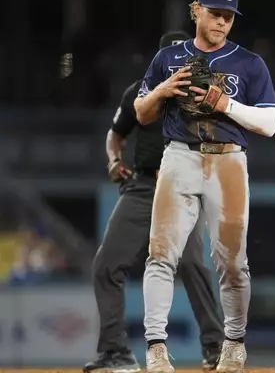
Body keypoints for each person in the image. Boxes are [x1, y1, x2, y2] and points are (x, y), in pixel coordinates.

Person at [134, 0, 275, 372]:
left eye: (229, 16)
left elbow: (270, 123)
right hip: (179, 156)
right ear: (195, 10)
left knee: (233, 263)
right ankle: (155, 348)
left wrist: (225, 103)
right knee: (160, 255)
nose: (222, 21)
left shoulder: (249, 63)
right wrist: (162, 90)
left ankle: (234, 343)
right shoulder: (168, 58)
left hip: (228, 162)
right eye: (215, 13)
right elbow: (142, 113)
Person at [83, 31, 226, 373]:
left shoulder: (203, 96)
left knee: (191, 264)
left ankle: (215, 348)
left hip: (183, 189)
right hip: (144, 186)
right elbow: (115, 134)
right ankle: (116, 353)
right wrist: (114, 160)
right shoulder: (140, 92)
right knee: (106, 265)